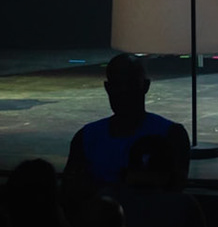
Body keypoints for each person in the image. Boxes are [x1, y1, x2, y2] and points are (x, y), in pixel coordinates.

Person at [64, 54, 192, 190]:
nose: (124, 91)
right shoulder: (171, 134)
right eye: (118, 85)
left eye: (130, 84)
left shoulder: (86, 137)